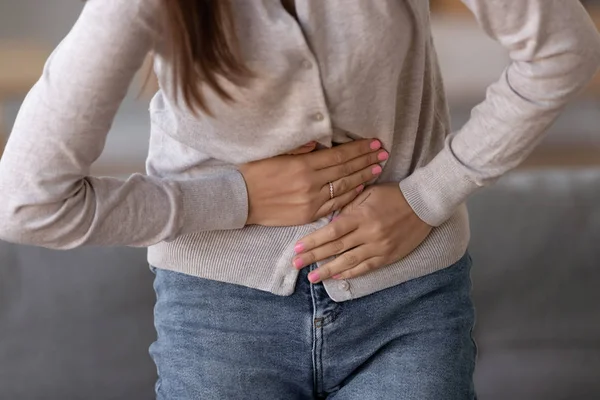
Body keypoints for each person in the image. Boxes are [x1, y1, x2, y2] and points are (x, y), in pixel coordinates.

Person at [0, 0, 599, 398]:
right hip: (219, 319)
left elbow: (563, 49)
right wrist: (236, 199)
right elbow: (26, 200)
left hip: (410, 303)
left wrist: (426, 196)